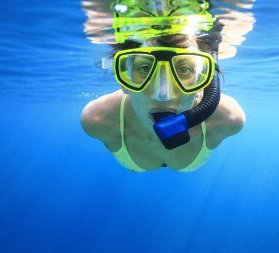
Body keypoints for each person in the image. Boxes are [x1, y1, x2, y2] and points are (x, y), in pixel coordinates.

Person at [81, 1, 245, 172]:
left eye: (184, 69)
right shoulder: (99, 120)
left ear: (203, 79)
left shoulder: (227, 119)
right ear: (123, 79)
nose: (163, 94)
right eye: (144, 68)